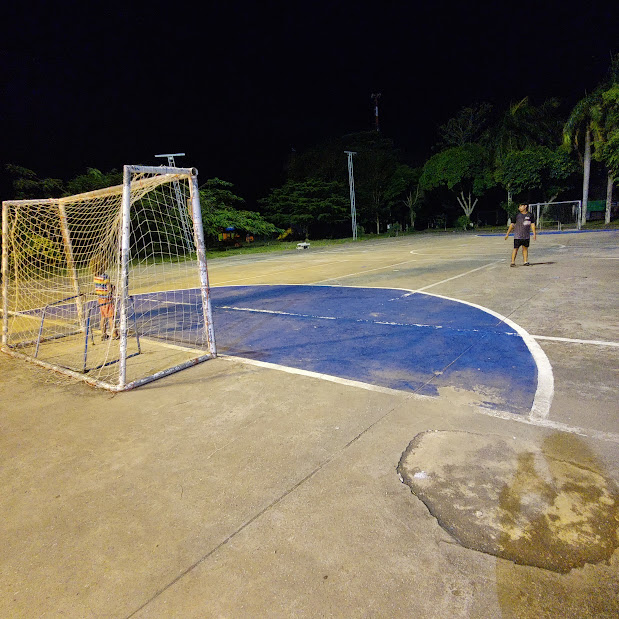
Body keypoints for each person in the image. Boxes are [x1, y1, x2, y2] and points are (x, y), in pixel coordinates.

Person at [91, 255, 119, 340]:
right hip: (107, 299)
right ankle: (114, 334)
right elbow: (108, 288)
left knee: (103, 317)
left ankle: (103, 334)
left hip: (100, 299)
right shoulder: (105, 277)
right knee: (111, 317)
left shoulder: (95, 277)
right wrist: (113, 288)